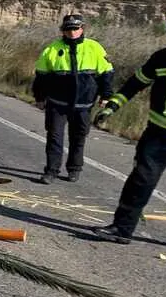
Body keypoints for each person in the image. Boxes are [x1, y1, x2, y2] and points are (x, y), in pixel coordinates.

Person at [92, 7, 166, 245]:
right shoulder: (162, 58)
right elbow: (134, 85)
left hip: (161, 134)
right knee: (141, 180)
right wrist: (111, 108)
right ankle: (122, 228)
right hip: (160, 133)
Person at [31, 13, 114, 184]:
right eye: (68, 29)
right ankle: (51, 171)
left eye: (75, 28)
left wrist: (106, 95)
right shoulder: (52, 49)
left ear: (82, 28)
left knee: (78, 137)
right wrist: (39, 97)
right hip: (57, 103)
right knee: (54, 137)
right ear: (63, 31)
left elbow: (106, 73)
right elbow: (41, 76)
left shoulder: (94, 48)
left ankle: (74, 169)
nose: (72, 32)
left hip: (84, 103)